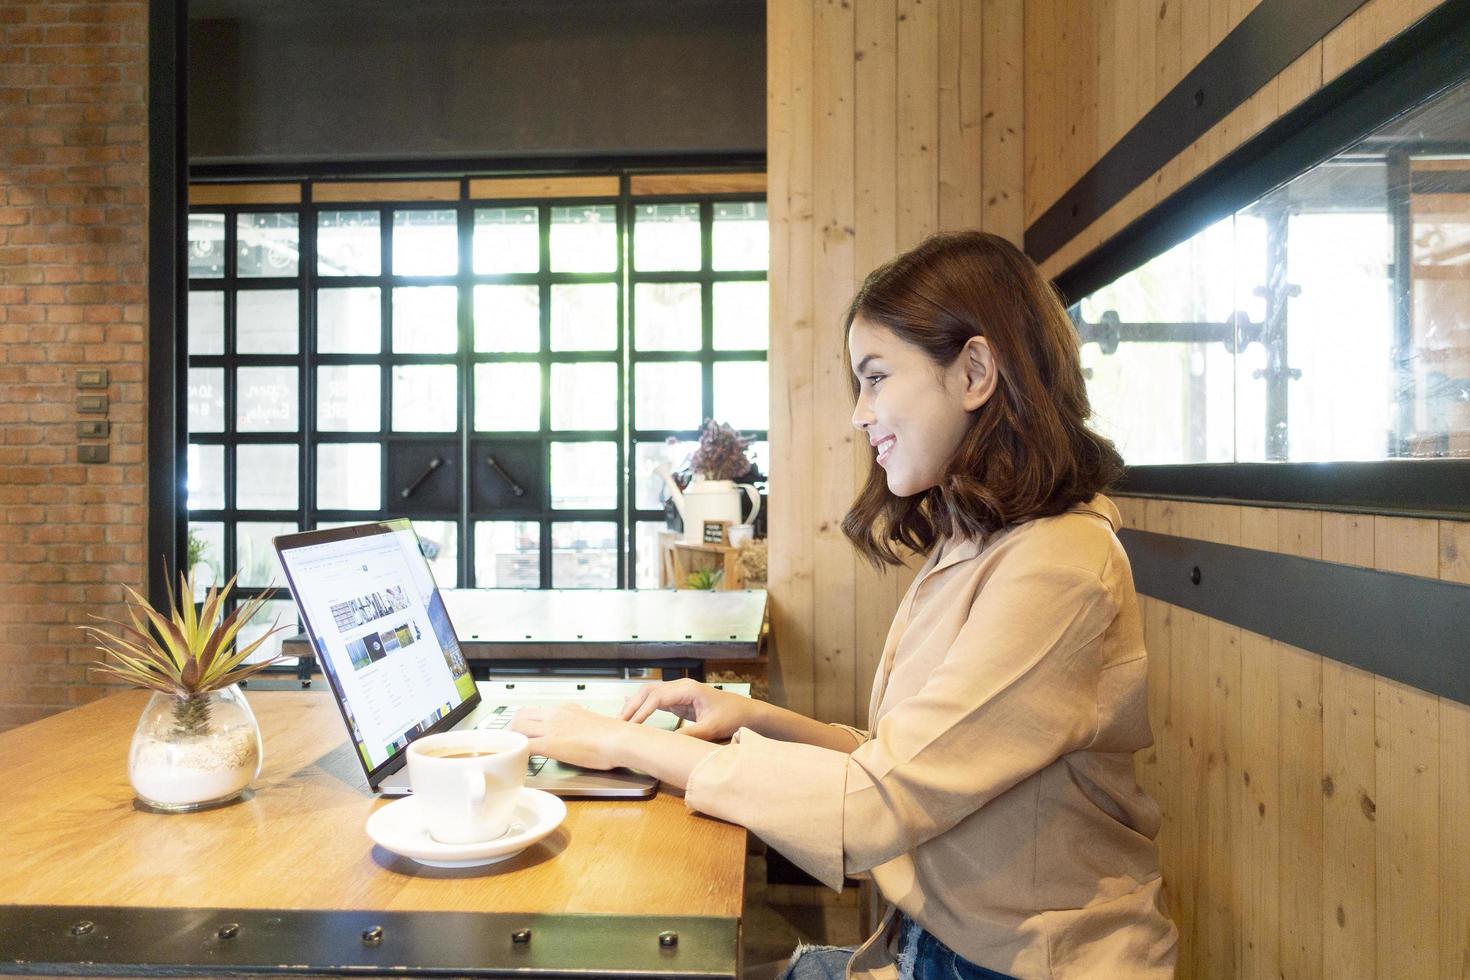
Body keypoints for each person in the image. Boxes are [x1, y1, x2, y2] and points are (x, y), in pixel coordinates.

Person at [511, 231, 1178, 980]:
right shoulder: (981, 542)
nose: (859, 415)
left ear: (975, 371)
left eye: (875, 378)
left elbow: (878, 804)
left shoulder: (1060, 566)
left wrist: (623, 747)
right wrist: (753, 718)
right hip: (939, 945)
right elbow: (909, 760)